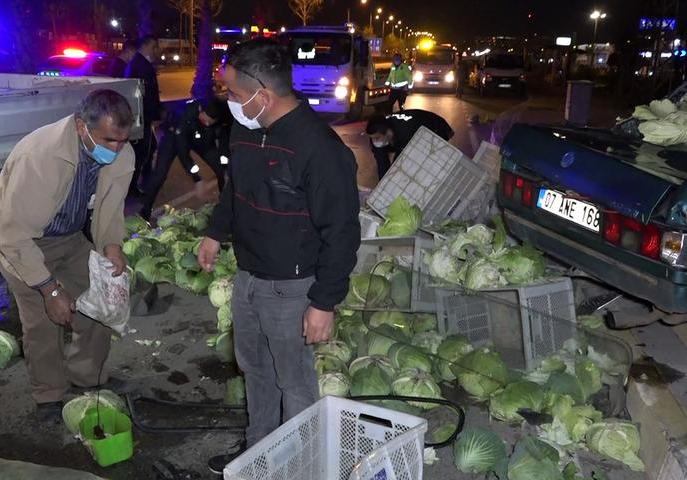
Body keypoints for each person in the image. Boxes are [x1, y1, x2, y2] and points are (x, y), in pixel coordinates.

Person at [196, 39, 360, 473]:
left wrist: (324, 301)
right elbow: (236, 190)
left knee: (296, 382)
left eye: (232, 93)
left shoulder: (320, 150)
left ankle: (302, 465)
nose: (227, 101)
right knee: (255, 371)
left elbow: (342, 231)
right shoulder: (246, 129)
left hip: (293, 288)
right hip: (249, 277)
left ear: (261, 96)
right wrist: (215, 232)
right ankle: (260, 455)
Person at [0, 90, 134, 422]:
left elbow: (111, 211)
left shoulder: (122, 153)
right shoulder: (41, 155)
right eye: (109, 140)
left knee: (99, 301)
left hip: (68, 236)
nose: (117, 149)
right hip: (19, 241)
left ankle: (87, 376)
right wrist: (50, 289)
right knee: (43, 317)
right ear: (82, 128)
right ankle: (49, 395)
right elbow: (14, 235)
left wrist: (112, 245)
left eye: (123, 140)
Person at [141, 97, 232, 220]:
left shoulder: (221, 115)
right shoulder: (185, 115)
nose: (208, 123)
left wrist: (225, 166)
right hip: (175, 138)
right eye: (206, 121)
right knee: (160, 174)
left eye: (211, 123)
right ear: (201, 111)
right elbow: (183, 153)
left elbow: (223, 142)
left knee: (221, 170)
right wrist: (197, 179)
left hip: (200, 138)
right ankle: (145, 212)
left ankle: (225, 208)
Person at [366, 109, 454, 180]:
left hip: (437, 128)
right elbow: (382, 164)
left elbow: (401, 161)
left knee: (425, 166)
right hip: (404, 134)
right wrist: (383, 185)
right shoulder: (379, 133)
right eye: (372, 138)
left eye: (377, 138)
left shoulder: (406, 132)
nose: (374, 141)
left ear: (389, 133)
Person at [126, 36, 164, 195]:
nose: (157, 51)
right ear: (147, 45)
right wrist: (154, 113)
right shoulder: (141, 65)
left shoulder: (140, 63)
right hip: (142, 117)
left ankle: (144, 181)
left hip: (143, 116)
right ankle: (136, 185)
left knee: (150, 147)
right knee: (143, 151)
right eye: (154, 46)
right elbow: (145, 94)